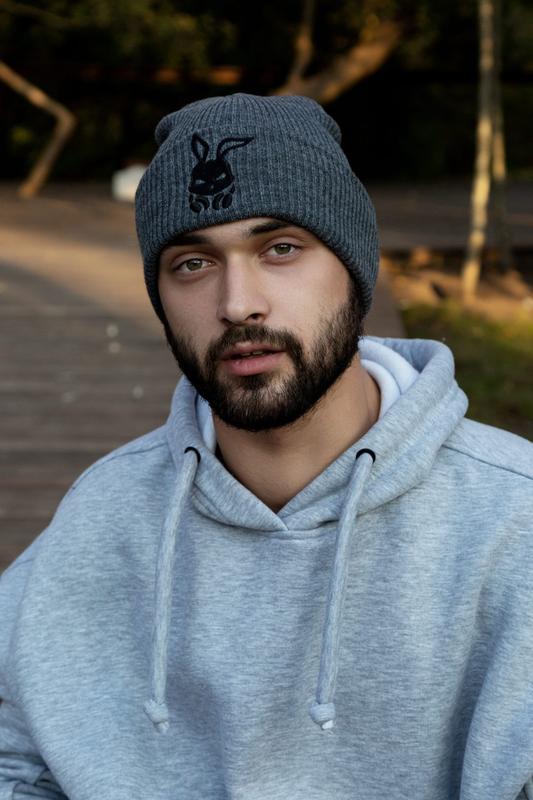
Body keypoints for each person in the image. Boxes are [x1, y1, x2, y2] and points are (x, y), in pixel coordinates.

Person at [0, 93, 532, 800]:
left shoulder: (512, 522)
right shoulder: (104, 514)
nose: (237, 304)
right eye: (192, 263)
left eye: (280, 249)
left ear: (356, 269)